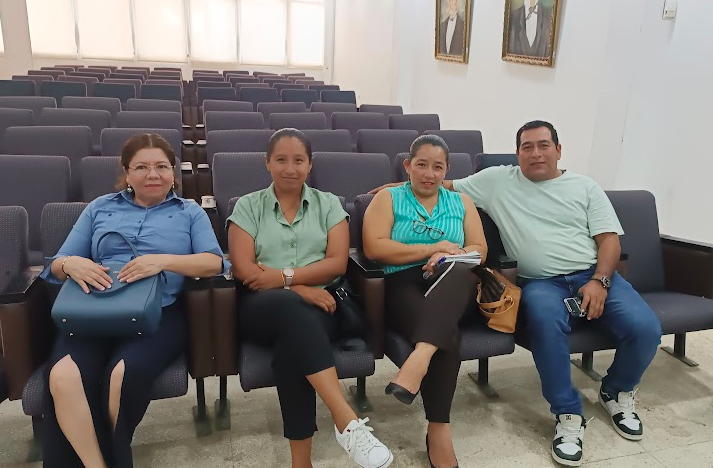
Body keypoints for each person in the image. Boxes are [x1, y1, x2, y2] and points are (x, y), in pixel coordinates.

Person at [370, 121, 662, 467]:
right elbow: (435, 182)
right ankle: (567, 414)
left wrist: (600, 280)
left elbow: (609, 240)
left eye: (543, 145)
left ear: (558, 150)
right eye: (527, 147)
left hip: (591, 274)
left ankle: (617, 390)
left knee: (646, 328)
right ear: (517, 152)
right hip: (540, 282)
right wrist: (395, 188)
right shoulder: (497, 180)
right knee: (542, 326)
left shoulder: (585, 186)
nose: (535, 153)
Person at [41, 133, 227, 468]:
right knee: (63, 376)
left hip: (159, 315)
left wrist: (163, 261)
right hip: (95, 311)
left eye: (161, 167)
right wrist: (70, 264)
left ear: (173, 173)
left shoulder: (189, 212)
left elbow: (214, 262)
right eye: (141, 167)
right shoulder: (100, 207)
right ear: (126, 173)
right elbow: (56, 264)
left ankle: (114, 454)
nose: (152, 174)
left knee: (122, 375)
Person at [227, 128, 393, 468]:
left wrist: (281, 276)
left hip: (323, 305)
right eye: (281, 160)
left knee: (294, 347)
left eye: (298, 160)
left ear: (310, 164)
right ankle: (346, 419)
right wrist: (295, 286)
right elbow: (244, 269)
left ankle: (300, 463)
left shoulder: (328, 204)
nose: (290, 168)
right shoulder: (248, 206)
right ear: (267, 163)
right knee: (291, 310)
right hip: (261, 306)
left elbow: (336, 263)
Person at [363, 135, 487, 468]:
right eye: (421, 165)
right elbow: (374, 248)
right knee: (445, 331)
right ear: (408, 165)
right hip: (402, 283)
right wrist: (431, 249)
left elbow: (480, 249)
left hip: (454, 282)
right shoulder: (388, 198)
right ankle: (439, 430)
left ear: (446, 170)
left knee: (460, 274)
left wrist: (451, 256)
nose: (429, 174)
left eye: (437, 167)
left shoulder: (462, 202)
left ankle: (417, 360)